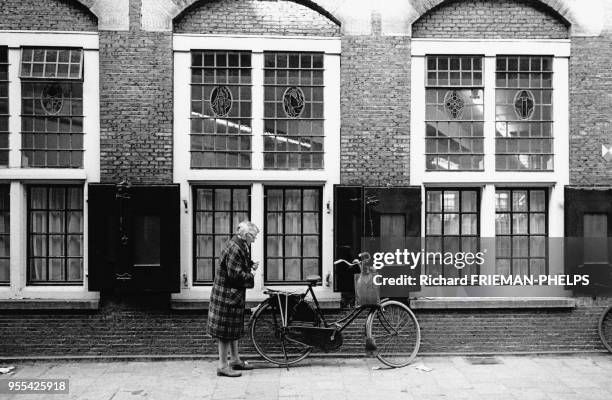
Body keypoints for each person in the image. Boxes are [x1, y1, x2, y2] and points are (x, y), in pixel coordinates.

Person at [207, 220, 260, 377]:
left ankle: (235, 360)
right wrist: (251, 275)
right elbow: (235, 275)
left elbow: (238, 263)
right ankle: (222, 366)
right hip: (227, 296)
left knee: (233, 330)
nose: (255, 239)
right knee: (224, 332)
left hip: (232, 295)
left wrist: (250, 264)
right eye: (254, 236)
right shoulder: (235, 249)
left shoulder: (240, 245)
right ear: (246, 235)